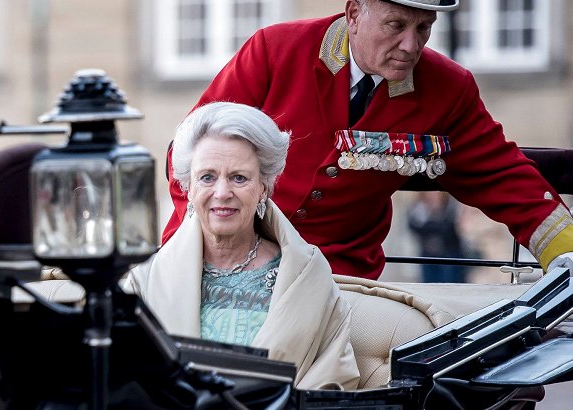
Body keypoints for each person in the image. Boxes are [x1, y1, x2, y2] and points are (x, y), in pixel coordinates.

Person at [162, 0, 573, 280]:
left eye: (424, 28)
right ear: (354, 12)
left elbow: (506, 179)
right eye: (396, 25)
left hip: (340, 279)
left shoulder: (448, 88)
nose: (411, 45)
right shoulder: (276, 50)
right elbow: (191, 153)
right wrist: (213, 253)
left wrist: (567, 259)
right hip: (223, 256)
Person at [123, 102, 360, 390]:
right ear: (188, 186)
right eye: (207, 177)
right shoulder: (145, 281)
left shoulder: (309, 277)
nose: (222, 193)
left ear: (264, 187)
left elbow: (332, 383)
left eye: (239, 178)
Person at [407, 191, 471, 283]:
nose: (433, 195)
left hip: (450, 253)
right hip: (428, 255)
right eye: (430, 193)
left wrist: (429, 226)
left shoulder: (451, 206)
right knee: (429, 284)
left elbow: (451, 228)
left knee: (452, 283)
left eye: (436, 193)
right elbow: (413, 226)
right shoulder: (419, 208)